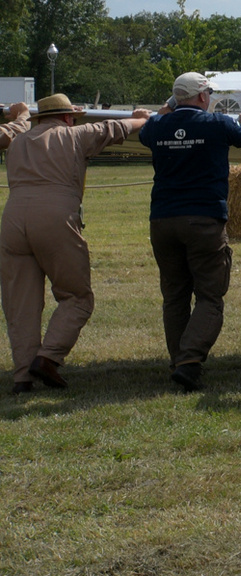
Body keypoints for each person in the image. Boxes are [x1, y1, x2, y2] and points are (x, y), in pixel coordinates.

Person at [0, 95, 148, 392]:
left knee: (20, 305)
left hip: (12, 220)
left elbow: (20, 127)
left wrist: (19, 115)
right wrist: (142, 117)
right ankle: (48, 357)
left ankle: (22, 377)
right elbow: (114, 128)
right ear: (69, 117)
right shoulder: (76, 135)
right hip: (55, 217)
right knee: (78, 297)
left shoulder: (18, 140)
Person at [139, 72, 241, 391]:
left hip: (162, 220)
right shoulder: (217, 123)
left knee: (174, 295)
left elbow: (149, 127)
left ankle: (178, 359)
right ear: (204, 97)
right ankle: (190, 360)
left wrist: (169, 106)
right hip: (204, 219)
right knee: (210, 294)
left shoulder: (156, 126)